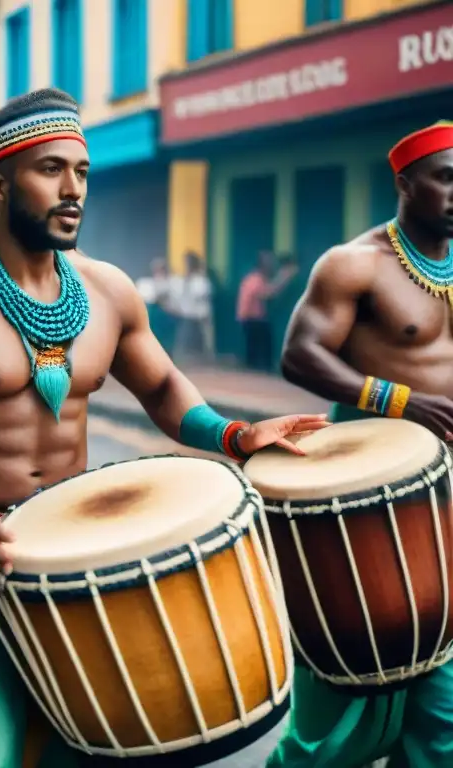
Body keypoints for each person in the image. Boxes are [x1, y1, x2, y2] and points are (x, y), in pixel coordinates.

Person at [0, 88, 328, 768]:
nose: (73, 190)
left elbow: (161, 388)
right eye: (50, 170)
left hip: (75, 551)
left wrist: (235, 436)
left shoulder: (108, 289)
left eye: (82, 173)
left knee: (96, 750)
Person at [278, 122, 453, 766]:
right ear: (405, 184)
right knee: (340, 698)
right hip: (366, 498)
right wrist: (401, 400)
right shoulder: (354, 264)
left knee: (444, 704)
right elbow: (300, 355)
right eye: (447, 178)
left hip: (448, 483)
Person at [236, 250, 296, 371]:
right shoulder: (255, 279)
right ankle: (259, 368)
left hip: (252, 317)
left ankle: (255, 368)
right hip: (251, 318)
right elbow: (267, 294)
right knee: (260, 345)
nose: (271, 265)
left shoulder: (256, 277)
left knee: (256, 345)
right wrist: (284, 277)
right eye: (269, 262)